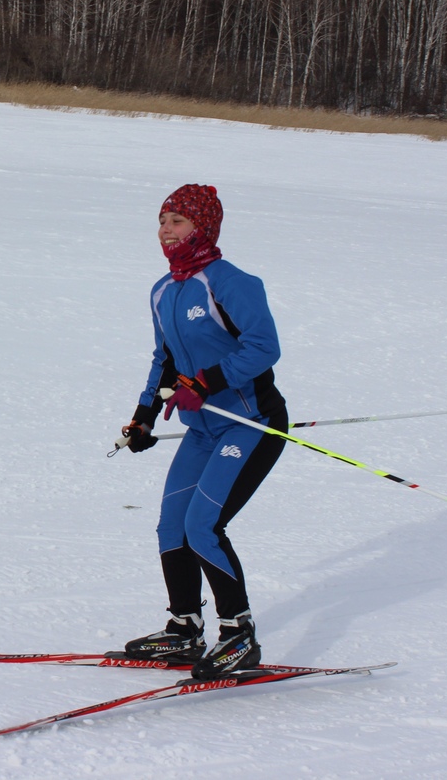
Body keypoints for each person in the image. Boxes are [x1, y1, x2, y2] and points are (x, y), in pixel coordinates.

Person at [119, 184, 288, 680]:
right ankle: (184, 629)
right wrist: (143, 415)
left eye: (177, 221)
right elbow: (165, 359)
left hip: (250, 422)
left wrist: (207, 383)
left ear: (203, 227)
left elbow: (262, 347)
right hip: (200, 430)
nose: (165, 230)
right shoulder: (163, 290)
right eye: (162, 220)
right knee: (172, 527)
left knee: (203, 528)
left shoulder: (232, 282)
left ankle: (238, 635)